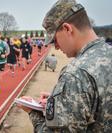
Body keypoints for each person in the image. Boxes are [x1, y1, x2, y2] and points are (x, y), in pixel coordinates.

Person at [18, 0, 112, 132]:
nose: (55, 47)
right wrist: (64, 99)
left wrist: (33, 113)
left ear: (67, 29)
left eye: (54, 40)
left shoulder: (75, 74)